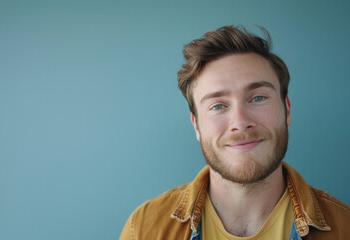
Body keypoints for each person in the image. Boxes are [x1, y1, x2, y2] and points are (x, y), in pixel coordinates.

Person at [119, 25, 350, 240]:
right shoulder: (143, 228)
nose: (240, 122)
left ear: (286, 110)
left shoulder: (345, 227)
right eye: (218, 105)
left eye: (258, 98)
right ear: (196, 125)